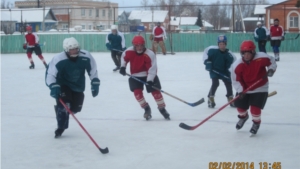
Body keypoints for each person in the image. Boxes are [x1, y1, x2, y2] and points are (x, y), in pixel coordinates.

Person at [45, 37, 100, 138]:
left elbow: (93, 70)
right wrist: (53, 86)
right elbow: (50, 74)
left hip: (78, 85)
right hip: (63, 84)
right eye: (71, 49)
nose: (74, 51)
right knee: (65, 106)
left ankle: (61, 112)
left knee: (76, 109)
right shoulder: (58, 59)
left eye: (76, 49)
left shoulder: (86, 56)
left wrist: (95, 82)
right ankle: (60, 127)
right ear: (66, 50)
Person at [230, 40, 277, 135]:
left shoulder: (262, 57)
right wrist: (240, 91)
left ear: (253, 52)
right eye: (244, 53)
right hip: (245, 88)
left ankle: (256, 123)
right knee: (240, 108)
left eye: (249, 53)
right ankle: (243, 117)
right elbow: (235, 80)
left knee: (255, 109)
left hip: (260, 87)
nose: (246, 55)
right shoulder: (237, 65)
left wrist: (271, 69)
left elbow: (272, 61)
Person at [119, 35, 170, 120]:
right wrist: (122, 67)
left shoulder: (150, 54)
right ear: (134, 45)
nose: (139, 48)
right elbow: (124, 58)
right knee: (137, 93)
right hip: (135, 76)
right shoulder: (128, 51)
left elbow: (152, 69)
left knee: (156, 92)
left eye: (141, 45)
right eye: (137, 46)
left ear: (144, 45)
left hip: (149, 75)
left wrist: (149, 80)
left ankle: (162, 109)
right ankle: (146, 108)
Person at [203, 35, 236, 108]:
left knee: (228, 83)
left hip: (224, 71)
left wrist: (230, 74)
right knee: (215, 83)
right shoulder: (212, 50)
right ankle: (210, 98)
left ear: (226, 44)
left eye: (223, 44)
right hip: (213, 70)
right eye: (220, 44)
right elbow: (205, 54)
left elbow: (231, 65)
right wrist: (207, 62)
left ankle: (230, 97)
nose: (222, 45)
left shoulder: (229, 54)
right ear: (218, 44)